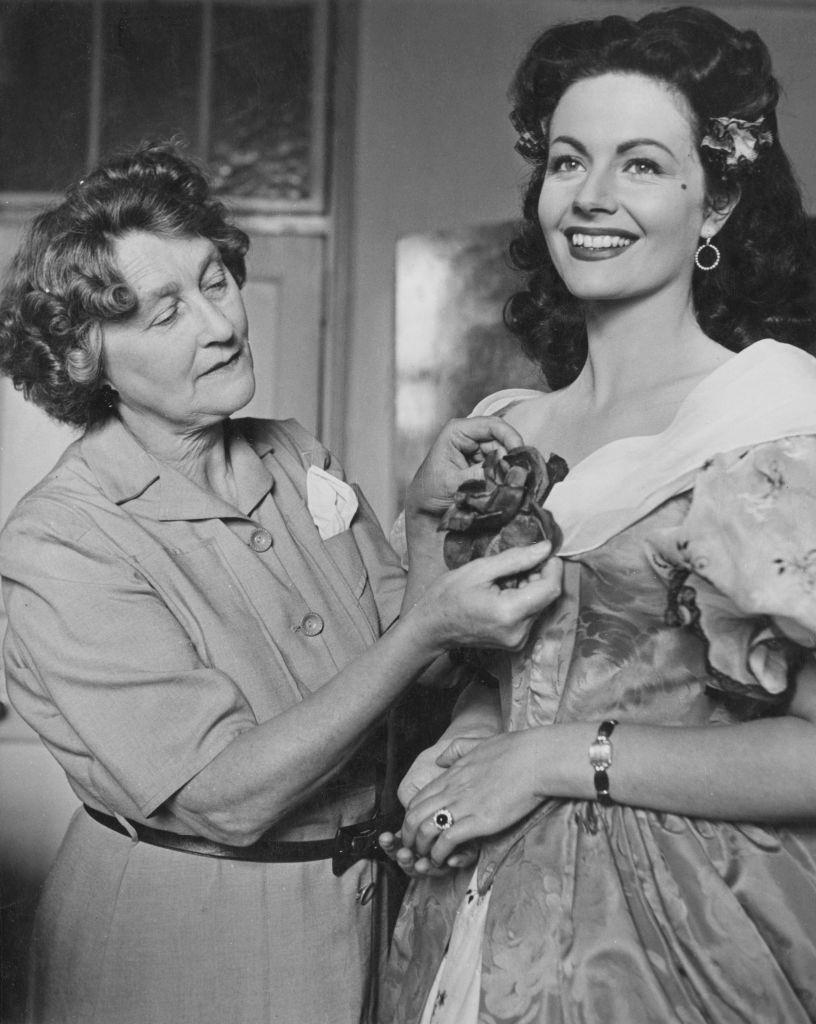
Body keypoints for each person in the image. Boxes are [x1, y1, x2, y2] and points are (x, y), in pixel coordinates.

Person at [379, 8, 816, 1023]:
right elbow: (497, 672)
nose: (592, 197)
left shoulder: (777, 427)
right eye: (569, 161)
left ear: (714, 204)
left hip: (689, 932)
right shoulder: (506, 425)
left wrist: (544, 757)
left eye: (641, 165)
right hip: (482, 914)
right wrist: (476, 731)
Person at [0, 142, 563, 1024]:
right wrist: (426, 629)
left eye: (215, 279)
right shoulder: (61, 541)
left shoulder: (291, 453)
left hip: (357, 918)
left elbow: (409, 681)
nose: (220, 324)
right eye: (162, 313)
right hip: (182, 943)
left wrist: (423, 525)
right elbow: (224, 800)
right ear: (79, 359)